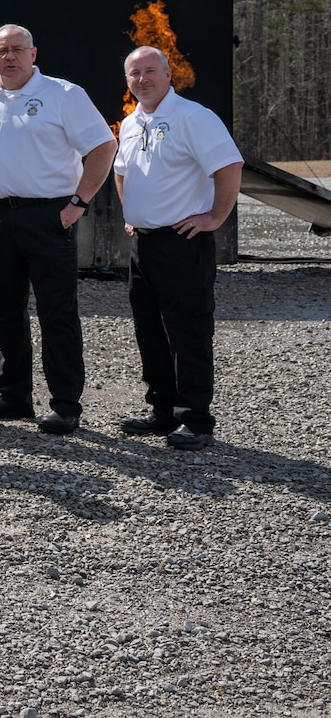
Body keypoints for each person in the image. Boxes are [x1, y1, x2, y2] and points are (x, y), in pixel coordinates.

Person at [0, 24, 115, 435]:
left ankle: (65, 404)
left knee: (56, 313)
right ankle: (14, 396)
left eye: (17, 49)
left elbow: (103, 147)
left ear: (33, 53)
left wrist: (78, 203)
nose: (10, 57)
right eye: (2, 51)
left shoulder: (64, 95)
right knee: (4, 309)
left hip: (50, 216)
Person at [114, 46, 242, 451]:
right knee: (149, 330)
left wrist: (215, 218)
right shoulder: (132, 122)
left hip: (184, 242)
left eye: (150, 71)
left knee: (188, 330)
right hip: (144, 244)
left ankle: (196, 419)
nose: (142, 80)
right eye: (135, 74)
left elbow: (229, 167)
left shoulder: (194, 117)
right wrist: (131, 212)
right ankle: (162, 411)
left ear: (169, 75)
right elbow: (121, 172)